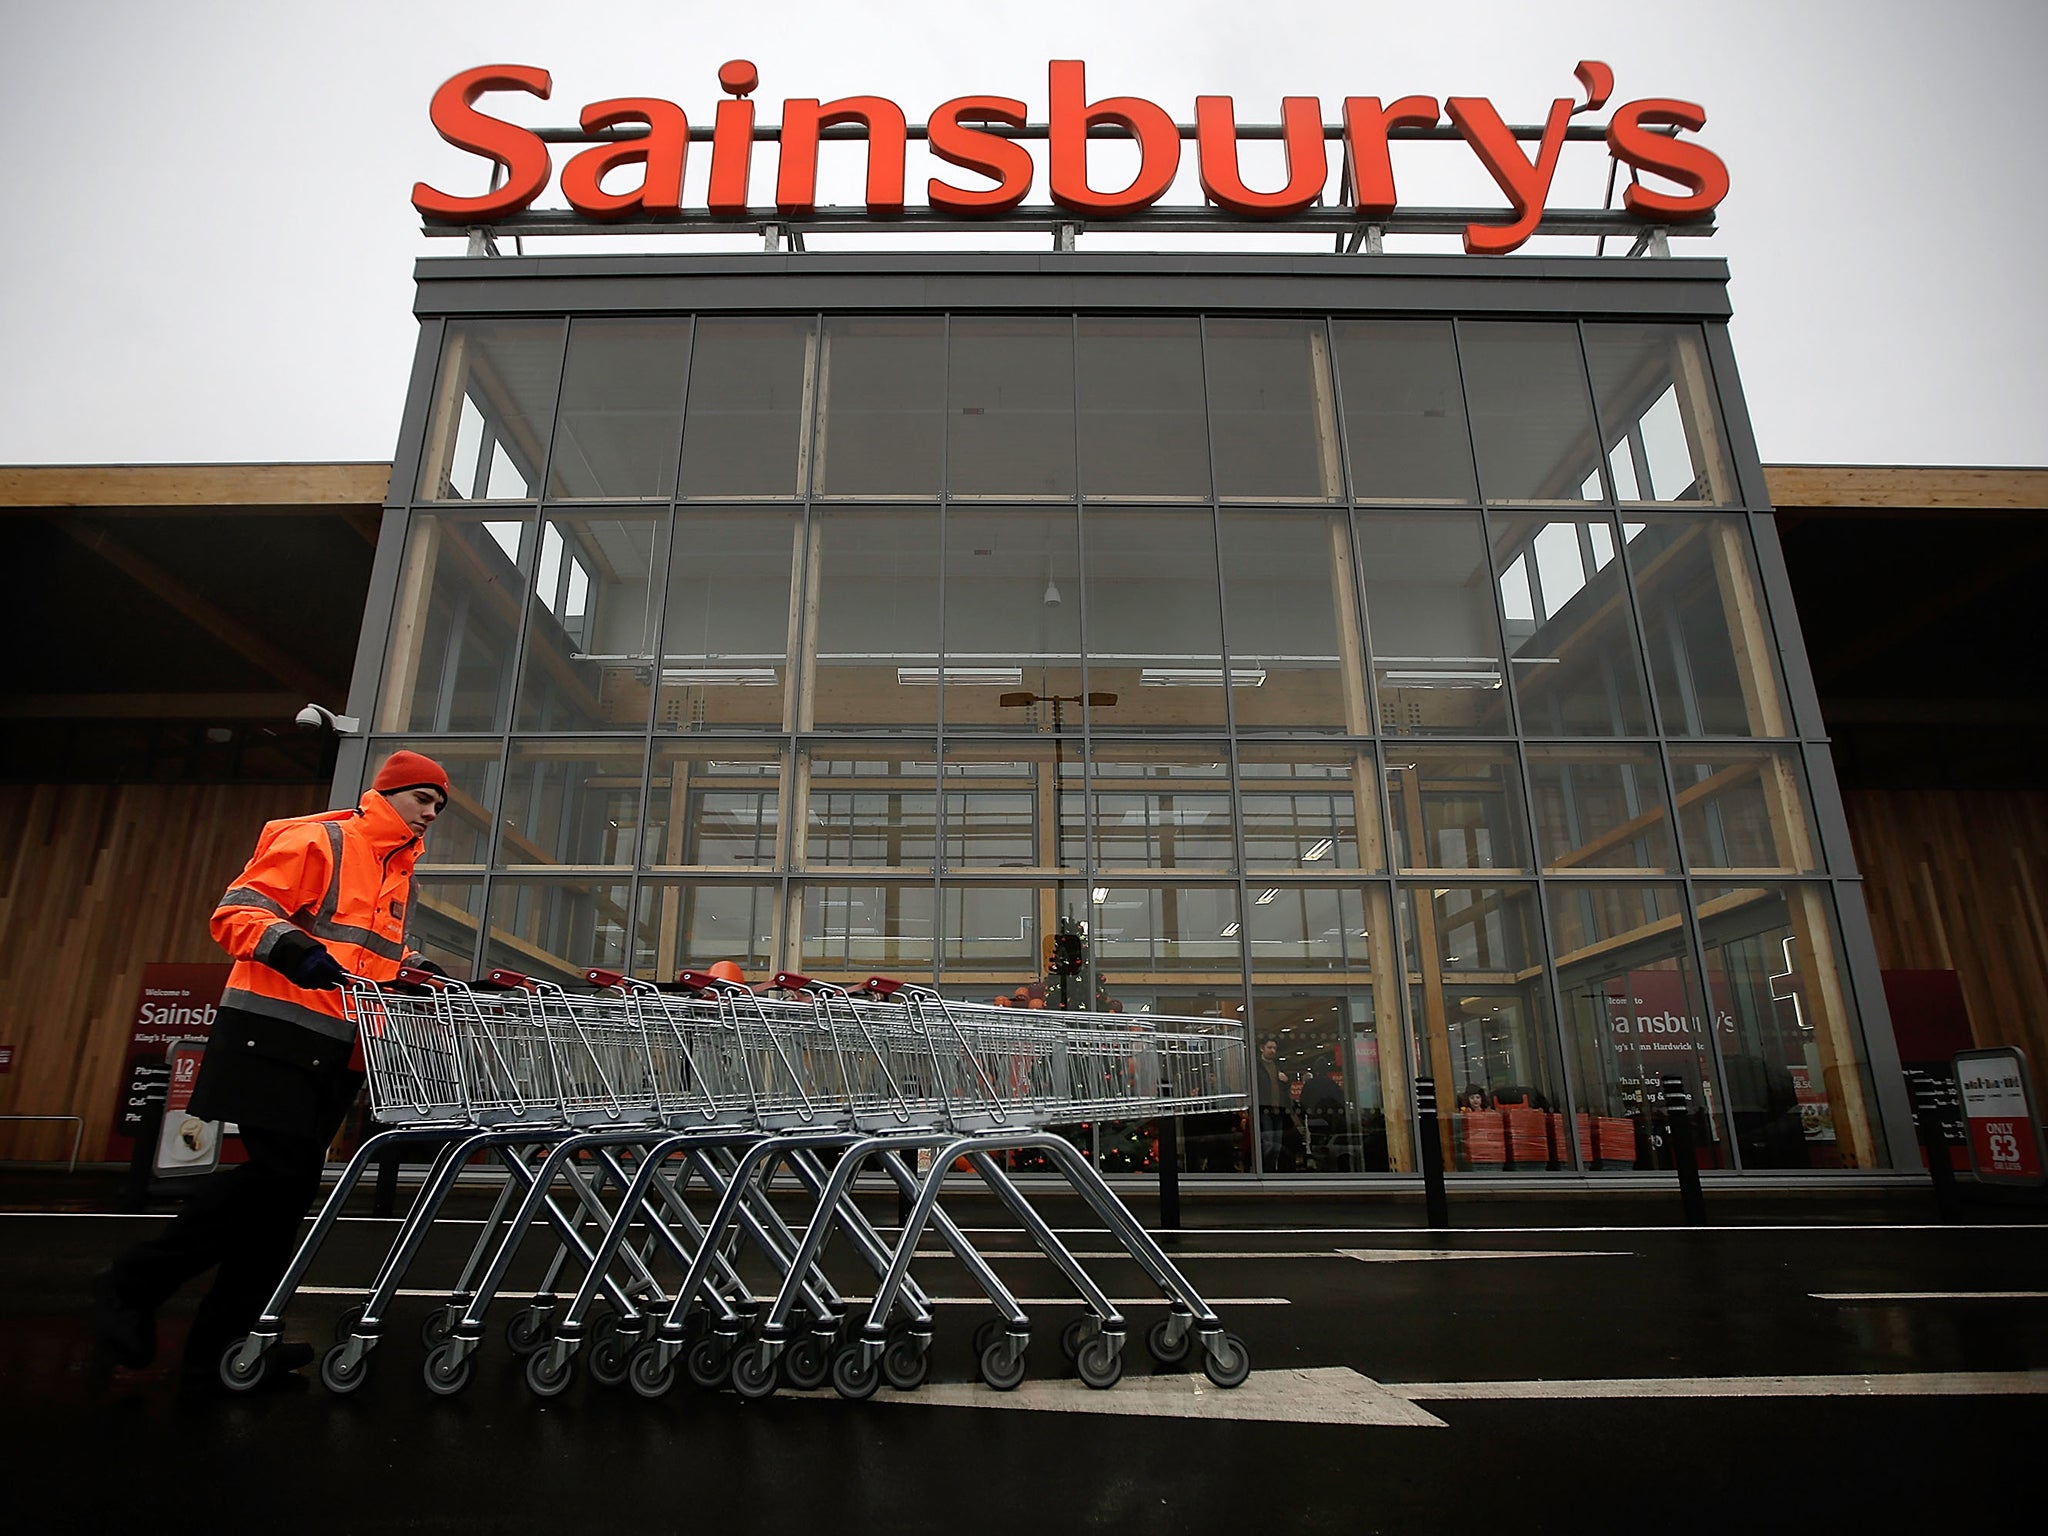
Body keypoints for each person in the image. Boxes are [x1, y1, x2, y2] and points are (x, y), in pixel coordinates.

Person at [93, 750, 450, 1390]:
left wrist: (418, 977)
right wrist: (291, 948)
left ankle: (224, 1345)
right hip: (271, 1036)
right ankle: (131, 1284)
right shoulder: (322, 838)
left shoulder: (400, 877)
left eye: (438, 806)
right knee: (278, 1177)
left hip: (333, 1050)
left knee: (282, 1198)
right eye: (423, 799)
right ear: (388, 793)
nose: (431, 814)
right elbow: (238, 913)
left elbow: (363, 961)